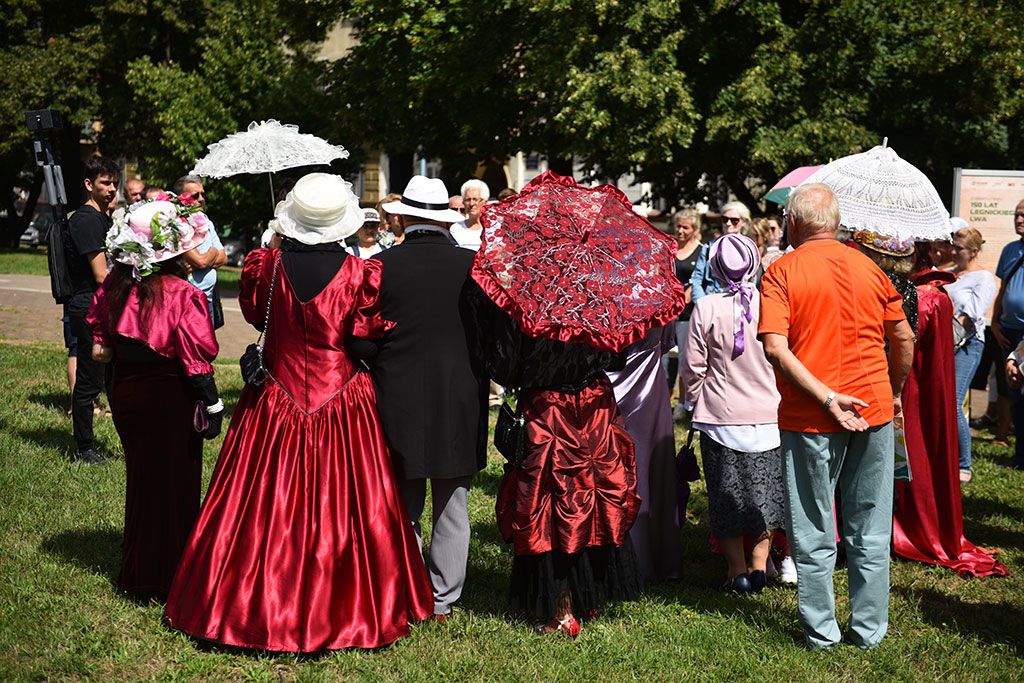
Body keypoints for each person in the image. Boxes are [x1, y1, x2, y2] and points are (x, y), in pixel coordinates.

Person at [164, 173, 432, 651]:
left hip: (275, 396)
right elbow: (362, 340)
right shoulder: (360, 273)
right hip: (342, 397)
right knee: (350, 502)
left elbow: (254, 314)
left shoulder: (266, 265)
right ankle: (351, 606)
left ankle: (248, 604)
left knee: (259, 501)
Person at [758, 183, 915, 651]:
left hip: (811, 415)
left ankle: (822, 634)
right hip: (873, 408)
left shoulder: (782, 270)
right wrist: (894, 391)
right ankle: (868, 632)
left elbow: (774, 348)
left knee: (812, 526)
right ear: (837, 223)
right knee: (870, 525)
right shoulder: (871, 268)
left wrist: (828, 398)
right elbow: (904, 339)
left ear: (792, 223)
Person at [475, 296, 643, 636]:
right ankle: (590, 598)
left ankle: (563, 610)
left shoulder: (524, 298)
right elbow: (618, 356)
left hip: (548, 408)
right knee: (594, 498)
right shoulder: (596, 294)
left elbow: (504, 368)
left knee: (550, 506)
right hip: (594, 404)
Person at [87, 195, 222, 597]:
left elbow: (99, 340)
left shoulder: (115, 286)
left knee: (143, 480)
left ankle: (139, 572)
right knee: (177, 481)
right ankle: (172, 574)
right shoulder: (183, 293)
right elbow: (196, 359)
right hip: (170, 393)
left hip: (126, 390)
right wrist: (213, 403)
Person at [368, 176, 489, 620]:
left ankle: (402, 588)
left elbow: (365, 336)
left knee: (401, 501)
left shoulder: (380, 266)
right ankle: (442, 599)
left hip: (395, 392)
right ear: (446, 220)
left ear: (403, 218)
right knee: (452, 503)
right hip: (460, 393)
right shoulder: (473, 265)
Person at [683, 234, 783, 594]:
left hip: (720, 416)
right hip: (770, 415)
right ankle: (759, 563)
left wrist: (692, 402)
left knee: (725, 497)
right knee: (766, 495)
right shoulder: (772, 303)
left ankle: (736, 570)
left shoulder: (705, 306)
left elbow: (693, 366)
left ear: (715, 268)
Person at [606, 324, 681, 583]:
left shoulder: (592, 297)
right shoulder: (657, 297)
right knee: (647, 467)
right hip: (647, 385)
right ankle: (650, 556)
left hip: (604, 386)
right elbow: (666, 342)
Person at [67, 155, 120, 466]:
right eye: (105, 183)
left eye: (115, 183)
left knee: (113, 378)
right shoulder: (86, 220)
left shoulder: (102, 217)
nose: (112, 188)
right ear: (89, 184)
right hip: (90, 307)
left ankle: (128, 438)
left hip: (104, 306)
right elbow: (101, 274)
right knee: (90, 381)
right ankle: (85, 448)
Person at [945, 226, 996, 482]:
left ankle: (964, 465)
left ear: (974, 251)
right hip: (945, 342)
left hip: (967, 344)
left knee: (954, 403)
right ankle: (945, 458)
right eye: (953, 246)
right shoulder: (948, 274)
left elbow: (973, 315)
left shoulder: (983, 278)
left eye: (960, 248)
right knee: (943, 402)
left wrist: (950, 336)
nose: (953, 252)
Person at [990, 198, 1024, 470]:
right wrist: (995, 322)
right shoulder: (1009, 250)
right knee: (1014, 394)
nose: (1019, 220)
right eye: (1016, 215)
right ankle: (1020, 457)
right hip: (1008, 332)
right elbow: (1003, 290)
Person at [174, 176, 227, 323]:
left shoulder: (207, 222)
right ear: (181, 199)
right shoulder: (177, 224)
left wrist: (204, 259)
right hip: (188, 301)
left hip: (208, 300)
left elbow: (223, 258)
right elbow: (201, 262)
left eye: (202, 194)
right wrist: (213, 252)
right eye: (195, 196)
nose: (201, 199)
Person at [671, 210, 702, 421]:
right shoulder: (669, 248)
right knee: (665, 359)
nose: (680, 231)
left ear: (695, 229)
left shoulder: (702, 252)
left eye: (685, 227)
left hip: (687, 314)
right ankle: (664, 401)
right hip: (666, 314)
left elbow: (699, 281)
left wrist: (685, 297)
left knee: (684, 358)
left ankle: (683, 404)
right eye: (678, 226)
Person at [690, 201, 750, 301]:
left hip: (737, 302)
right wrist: (701, 302)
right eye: (725, 219)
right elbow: (697, 278)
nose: (728, 223)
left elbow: (751, 280)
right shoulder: (709, 247)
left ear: (744, 222)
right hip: (710, 299)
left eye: (734, 220)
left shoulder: (749, 248)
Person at [449, 178, 490, 251]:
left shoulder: (493, 229)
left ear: (485, 202)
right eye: (468, 200)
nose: (471, 203)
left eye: (475, 199)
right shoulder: (456, 229)